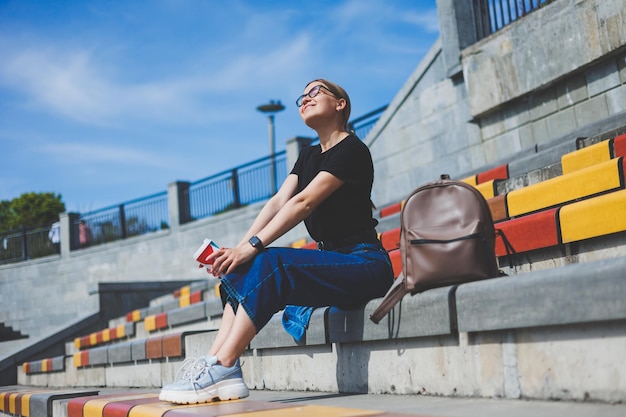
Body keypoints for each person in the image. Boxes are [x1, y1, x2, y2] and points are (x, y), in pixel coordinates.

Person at [159, 79, 394, 405]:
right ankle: (215, 363)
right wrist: (235, 252)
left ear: (340, 104)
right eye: (302, 96)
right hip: (335, 263)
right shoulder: (308, 156)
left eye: (316, 92)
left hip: (365, 263)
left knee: (271, 260)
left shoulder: (352, 150)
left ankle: (224, 365)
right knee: (239, 270)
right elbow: (278, 202)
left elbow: (303, 203)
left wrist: (251, 247)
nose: (305, 99)